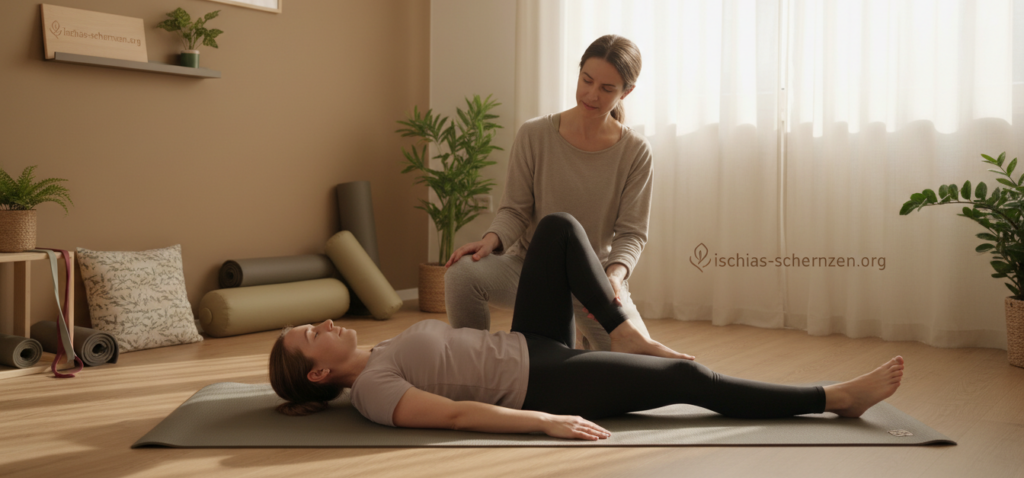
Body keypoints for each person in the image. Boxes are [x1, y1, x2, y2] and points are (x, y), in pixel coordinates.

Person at [269, 213, 905, 439]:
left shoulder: (380, 353)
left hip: (531, 343)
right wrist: (545, 421)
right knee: (689, 378)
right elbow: (461, 417)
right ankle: (833, 399)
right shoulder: (377, 392)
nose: (325, 321)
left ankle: (621, 328)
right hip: (544, 383)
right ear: (320, 372)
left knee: (558, 228)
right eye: (312, 333)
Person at [444, 35, 654, 351]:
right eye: (587, 80)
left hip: (594, 283)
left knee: (644, 371)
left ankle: (587, 341)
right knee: (461, 274)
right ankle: (475, 364)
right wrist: (491, 240)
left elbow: (631, 234)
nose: (592, 94)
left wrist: (614, 277)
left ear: (627, 92)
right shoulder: (535, 134)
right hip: (530, 273)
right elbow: (515, 209)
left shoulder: (636, 151)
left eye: (607, 89)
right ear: (580, 72)